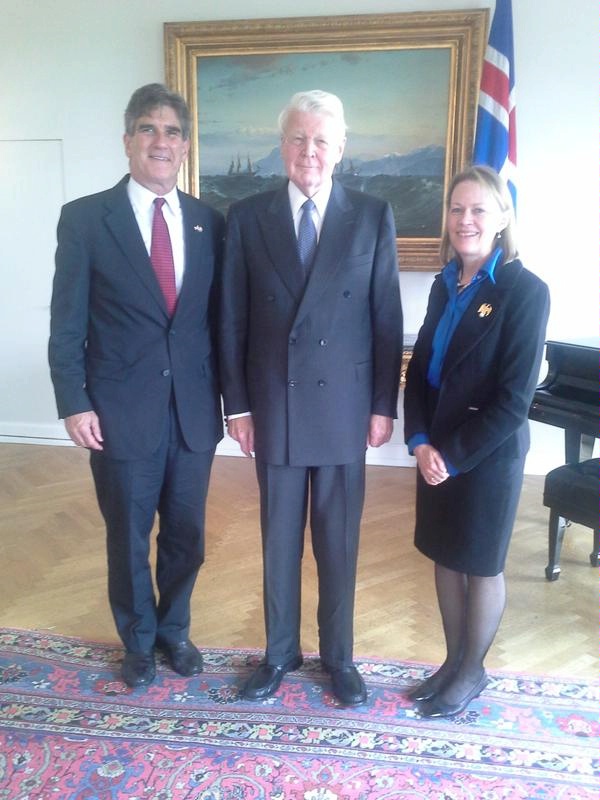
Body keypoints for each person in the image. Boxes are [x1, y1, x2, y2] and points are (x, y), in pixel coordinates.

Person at [220, 90, 403, 705]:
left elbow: (385, 319)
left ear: (341, 149)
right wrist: (237, 406)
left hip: (344, 408)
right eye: (299, 139)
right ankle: (278, 655)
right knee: (278, 543)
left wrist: (384, 405)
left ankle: (340, 658)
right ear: (282, 146)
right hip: (273, 407)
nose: (310, 152)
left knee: (338, 542)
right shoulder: (247, 218)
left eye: (322, 140)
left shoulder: (373, 215)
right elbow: (231, 322)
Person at [48, 83, 225, 688]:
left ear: (184, 146)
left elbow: (219, 322)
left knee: (187, 533)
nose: (161, 141)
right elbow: (66, 321)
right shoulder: (84, 219)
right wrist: (74, 401)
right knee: (128, 536)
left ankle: (175, 629)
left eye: (172, 131)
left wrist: (237, 404)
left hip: (194, 412)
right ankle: (139, 641)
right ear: (127, 140)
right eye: (148, 128)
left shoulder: (208, 223)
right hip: (120, 412)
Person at [403, 165, 550, 717]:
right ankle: (451, 660)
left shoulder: (525, 291)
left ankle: (472, 671)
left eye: (478, 210)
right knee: (445, 555)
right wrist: (419, 441)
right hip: (435, 448)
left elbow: (513, 400)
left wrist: (452, 456)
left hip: (486, 454)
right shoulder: (446, 283)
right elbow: (419, 370)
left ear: (502, 218)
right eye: (457, 209)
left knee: (480, 564)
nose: (465, 220)